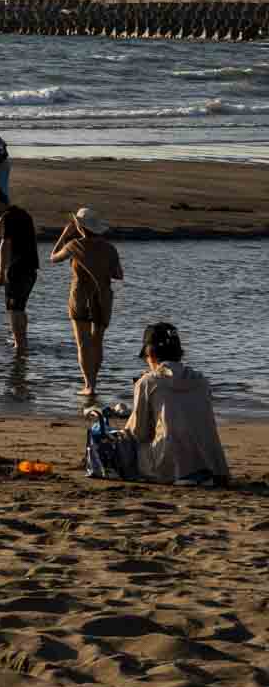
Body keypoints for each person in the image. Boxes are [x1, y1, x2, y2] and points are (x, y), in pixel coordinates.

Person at [122, 323, 230, 486]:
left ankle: (179, 472)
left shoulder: (148, 382)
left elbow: (138, 432)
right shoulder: (201, 379)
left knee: (129, 449)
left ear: (150, 354)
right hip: (213, 466)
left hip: (170, 467)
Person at [51, 205, 123, 395]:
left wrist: (64, 235)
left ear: (80, 227)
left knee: (83, 343)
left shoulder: (74, 245)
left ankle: (88, 386)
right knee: (97, 342)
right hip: (103, 298)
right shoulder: (110, 248)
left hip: (80, 298)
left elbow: (53, 258)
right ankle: (94, 384)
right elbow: (118, 274)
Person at [0, 189, 38, 352]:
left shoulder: (7, 217)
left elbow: (5, 244)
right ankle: (23, 342)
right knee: (20, 308)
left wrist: (0, 272)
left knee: (13, 309)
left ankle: (19, 345)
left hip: (17, 269)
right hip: (31, 269)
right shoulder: (24, 214)